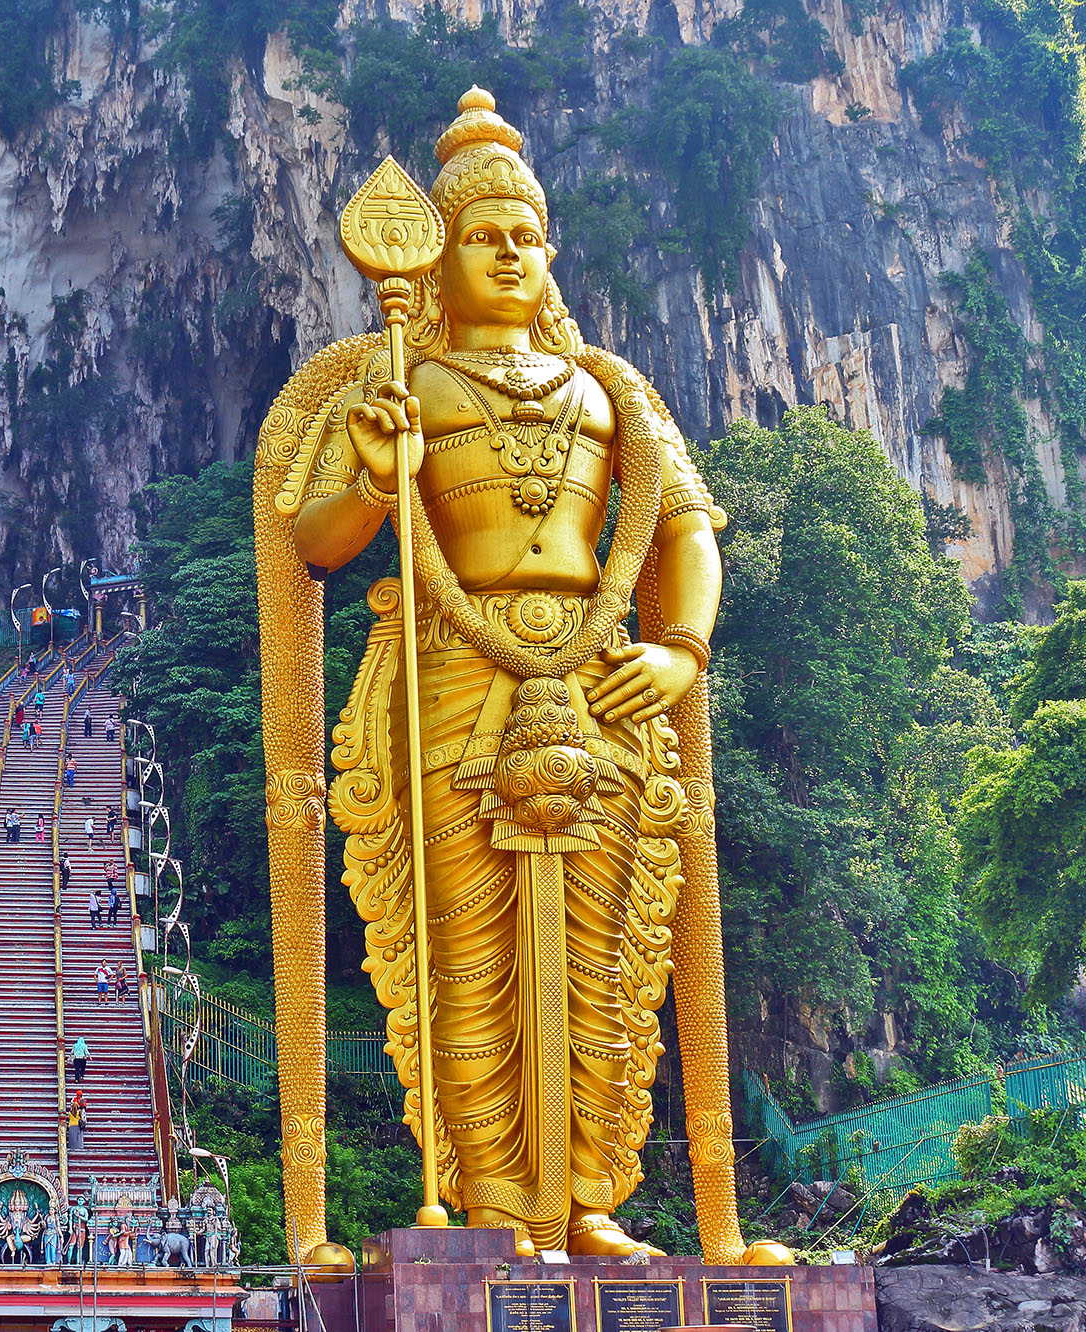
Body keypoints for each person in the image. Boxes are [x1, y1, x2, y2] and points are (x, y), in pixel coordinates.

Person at [255, 88, 776, 1261]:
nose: (507, 253)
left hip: (599, 681)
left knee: (609, 947)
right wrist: (377, 473)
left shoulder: (609, 392)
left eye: (524, 236)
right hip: (449, 674)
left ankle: (591, 1201)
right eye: (483, 235)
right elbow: (312, 543)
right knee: (467, 953)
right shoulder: (402, 386)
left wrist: (678, 647)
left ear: (549, 254)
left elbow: (686, 530)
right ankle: (495, 1211)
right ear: (437, 258)